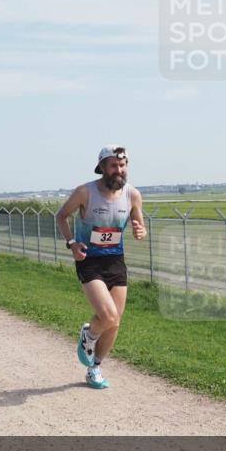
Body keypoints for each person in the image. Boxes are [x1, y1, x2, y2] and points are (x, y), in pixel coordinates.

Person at [56, 145, 146, 389]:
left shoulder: (132, 195)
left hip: (116, 261)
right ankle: (89, 335)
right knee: (108, 315)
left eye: (123, 165)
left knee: (115, 322)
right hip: (89, 260)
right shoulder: (85, 192)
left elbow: (140, 223)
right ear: (102, 168)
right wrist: (72, 243)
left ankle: (95, 367)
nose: (120, 170)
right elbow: (61, 216)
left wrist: (140, 230)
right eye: (114, 166)